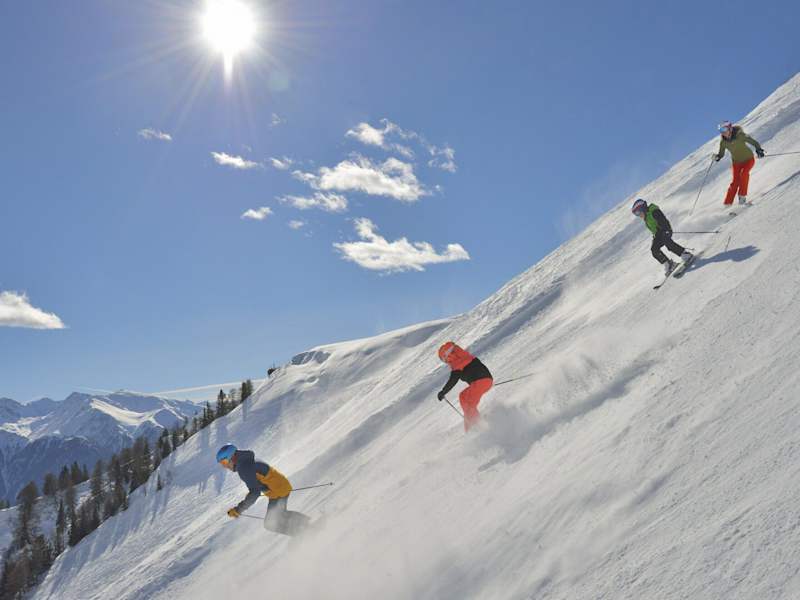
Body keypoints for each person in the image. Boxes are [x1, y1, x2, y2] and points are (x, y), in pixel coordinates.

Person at [217, 443, 310, 536]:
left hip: (278, 491)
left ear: (232, 457)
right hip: (279, 488)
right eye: (222, 464)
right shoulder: (246, 460)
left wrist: (238, 509)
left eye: (224, 462)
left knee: (271, 523)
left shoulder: (244, 467)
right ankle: (307, 525)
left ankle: (303, 533)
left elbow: (255, 492)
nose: (225, 466)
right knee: (280, 515)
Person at [437, 342, 493, 432]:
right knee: (463, 396)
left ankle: (476, 428)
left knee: (470, 404)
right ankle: (473, 422)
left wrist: (443, 391)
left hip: (481, 382)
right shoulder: (464, 356)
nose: (446, 362)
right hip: (482, 382)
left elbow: (453, 379)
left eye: (445, 359)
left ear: (448, 355)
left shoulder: (458, 361)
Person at [631, 199, 693, 276]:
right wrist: (655, 236)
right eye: (636, 214)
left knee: (668, 243)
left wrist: (665, 230)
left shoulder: (653, 211)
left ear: (642, 208)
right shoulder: (646, 217)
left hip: (665, 230)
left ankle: (686, 255)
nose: (638, 215)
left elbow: (662, 220)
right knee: (654, 249)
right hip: (658, 234)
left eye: (638, 212)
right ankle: (669, 264)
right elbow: (653, 228)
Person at [714, 121, 765, 207]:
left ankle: (742, 197)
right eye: (721, 130)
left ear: (730, 128)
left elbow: (754, 142)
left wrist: (759, 150)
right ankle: (727, 203)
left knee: (744, 174)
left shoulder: (740, 135)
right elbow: (721, 154)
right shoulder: (723, 142)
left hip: (748, 159)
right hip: (736, 163)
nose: (723, 132)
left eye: (724, 129)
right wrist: (717, 157)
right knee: (735, 182)